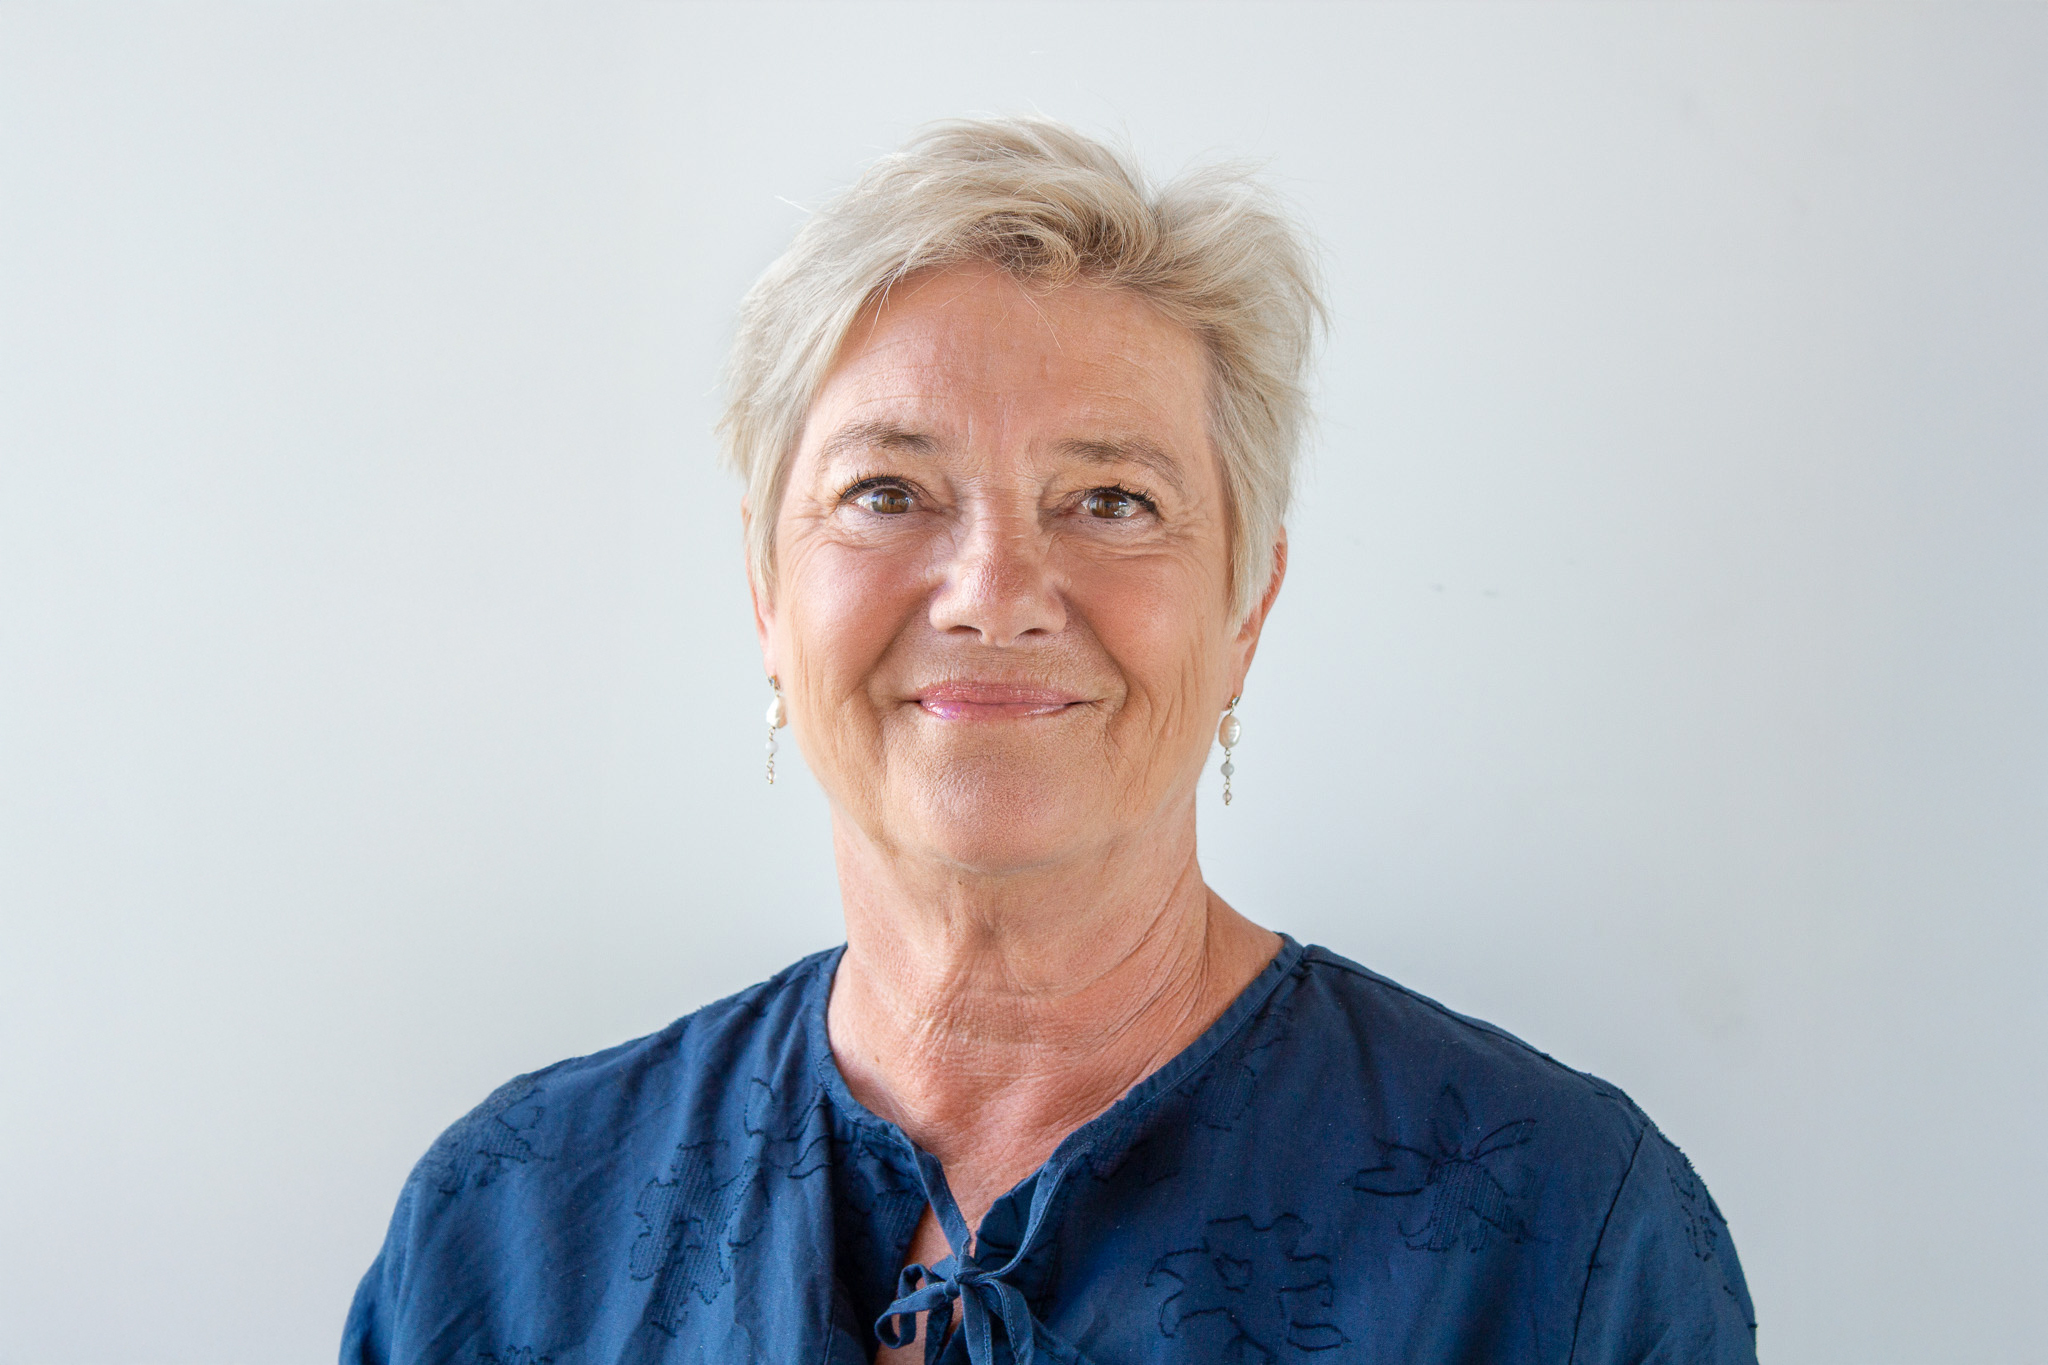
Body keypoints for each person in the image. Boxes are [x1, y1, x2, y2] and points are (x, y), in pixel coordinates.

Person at [343, 117, 1757, 1365]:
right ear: (768, 594)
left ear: (1247, 605)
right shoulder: (507, 1226)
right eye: (888, 490)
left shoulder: (1566, 1240)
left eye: (1113, 499)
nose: (993, 592)